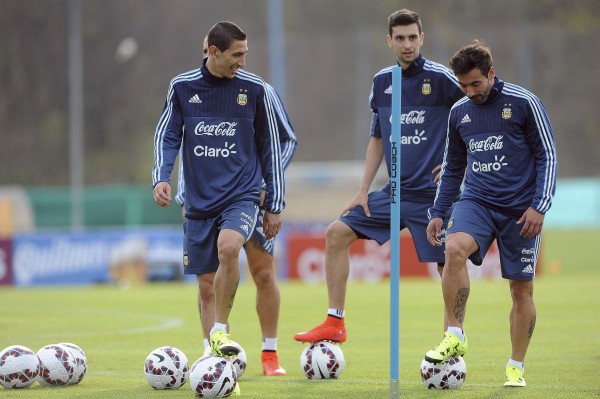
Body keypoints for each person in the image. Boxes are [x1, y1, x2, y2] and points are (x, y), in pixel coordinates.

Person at [293, 9, 464, 344]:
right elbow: (377, 138)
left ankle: (453, 341)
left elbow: (471, 117)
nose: (407, 44)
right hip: (394, 193)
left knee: (448, 268)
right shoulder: (382, 82)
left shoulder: (443, 80)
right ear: (389, 41)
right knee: (335, 234)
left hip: (434, 198)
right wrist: (362, 189)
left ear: (422, 38)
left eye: (413, 37)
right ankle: (335, 322)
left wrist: (459, 160)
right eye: (400, 38)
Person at [152, 20, 285, 371]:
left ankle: (223, 333)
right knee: (206, 286)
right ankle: (211, 355)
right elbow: (167, 136)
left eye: (245, 54)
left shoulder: (255, 89)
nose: (242, 62)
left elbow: (271, 147)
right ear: (213, 52)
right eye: (236, 55)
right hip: (198, 201)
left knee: (230, 249)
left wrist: (274, 204)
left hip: (241, 196)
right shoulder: (182, 88)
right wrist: (161, 177)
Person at [424, 40, 557, 387]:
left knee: (520, 290)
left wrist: (539, 206)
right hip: (478, 202)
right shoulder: (459, 113)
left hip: (521, 211)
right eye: (463, 85)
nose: (469, 92)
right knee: (453, 249)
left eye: (476, 84)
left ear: (491, 73)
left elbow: (548, 157)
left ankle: (516, 366)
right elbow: (454, 167)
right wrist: (438, 212)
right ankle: (455, 333)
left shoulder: (524, 103)